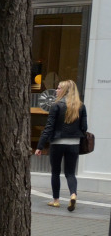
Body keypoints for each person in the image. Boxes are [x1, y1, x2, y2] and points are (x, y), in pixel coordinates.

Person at [35, 79, 89, 211]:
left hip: (57, 143)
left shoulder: (56, 105)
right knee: (70, 173)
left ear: (64, 91)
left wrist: (40, 146)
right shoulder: (80, 106)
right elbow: (84, 127)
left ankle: (56, 200)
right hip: (74, 143)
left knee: (55, 172)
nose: (57, 90)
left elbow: (49, 127)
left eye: (59, 88)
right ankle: (73, 195)